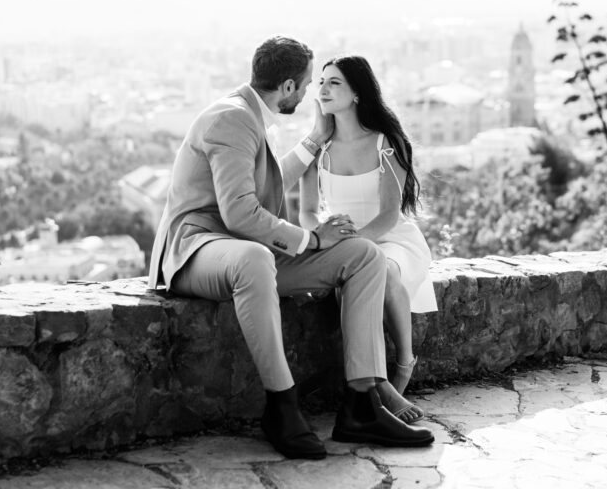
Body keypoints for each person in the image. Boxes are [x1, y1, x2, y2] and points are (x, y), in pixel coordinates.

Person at [147, 36, 434, 460]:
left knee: (364, 255)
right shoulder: (231, 118)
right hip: (197, 249)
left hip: (247, 252)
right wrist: (314, 239)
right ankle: (282, 407)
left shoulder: (249, 118)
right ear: (286, 87)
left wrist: (317, 139)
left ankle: (361, 404)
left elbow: (270, 185)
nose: (309, 95)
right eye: (305, 86)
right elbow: (241, 214)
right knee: (255, 257)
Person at [299, 55, 438, 424]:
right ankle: (379, 386)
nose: (323, 89)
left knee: (383, 271)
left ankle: (405, 362)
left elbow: (390, 214)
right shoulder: (318, 149)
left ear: (358, 93)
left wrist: (356, 243)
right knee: (354, 278)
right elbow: (307, 212)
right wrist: (323, 237)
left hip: (391, 239)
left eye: (335, 83)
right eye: (321, 82)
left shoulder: (386, 143)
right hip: (343, 243)